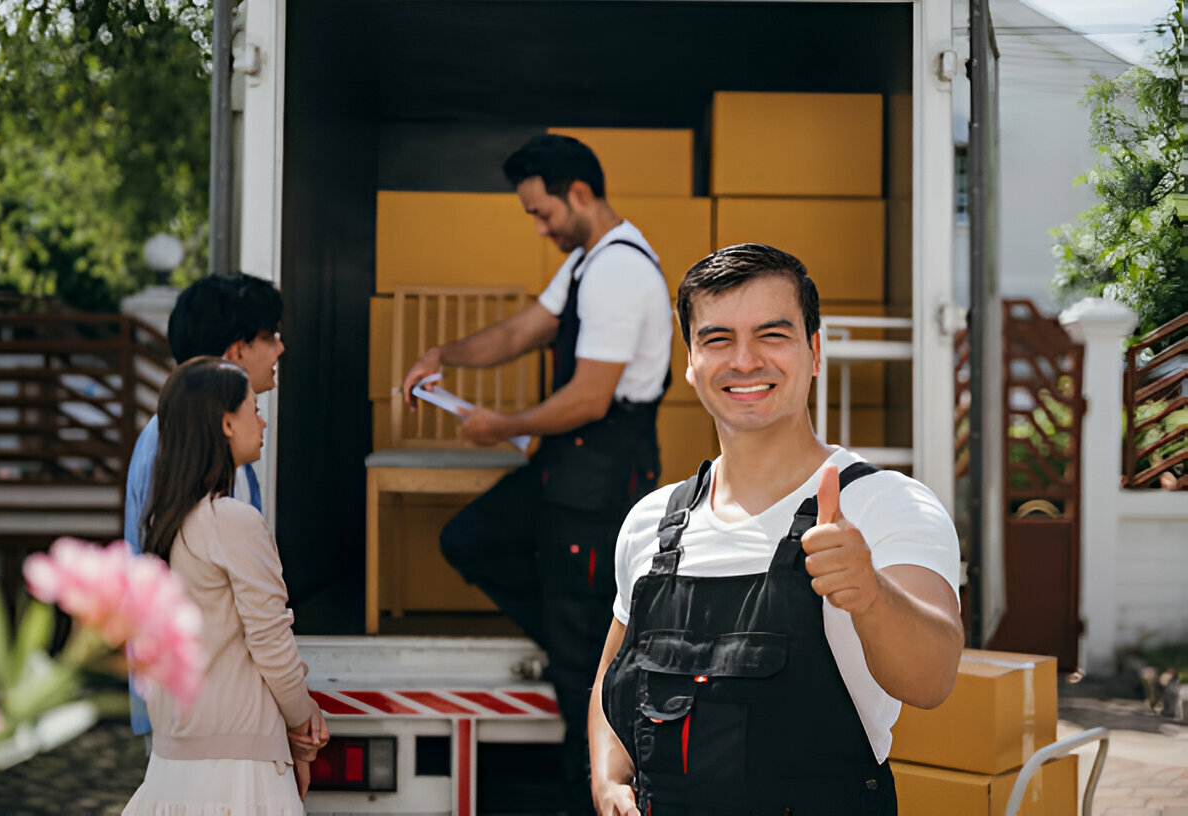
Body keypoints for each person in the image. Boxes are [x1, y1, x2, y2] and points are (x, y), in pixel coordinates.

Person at [588, 244, 964, 816]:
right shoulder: (651, 523)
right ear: (690, 361)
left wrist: (869, 594)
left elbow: (933, 679)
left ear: (814, 352)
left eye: (772, 334)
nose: (744, 361)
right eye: (717, 339)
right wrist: (607, 777)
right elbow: (616, 679)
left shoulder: (886, 506)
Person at [401, 134, 673, 814]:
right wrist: (445, 354)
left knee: (583, 667)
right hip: (566, 466)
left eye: (541, 212)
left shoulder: (620, 271)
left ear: (579, 193)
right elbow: (525, 329)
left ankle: (593, 797)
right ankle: (568, 626)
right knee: (470, 539)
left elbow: (588, 399)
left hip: (603, 472)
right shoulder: (588, 261)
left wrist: (502, 425)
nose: (540, 226)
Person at [123, 357, 327, 815]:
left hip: (173, 760)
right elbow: (271, 639)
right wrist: (303, 720)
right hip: (238, 768)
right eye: (254, 408)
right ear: (226, 423)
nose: (263, 420)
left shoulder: (163, 524)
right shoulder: (232, 520)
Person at [124, 273, 286, 736]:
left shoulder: (188, 435)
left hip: (202, 701)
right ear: (235, 352)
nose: (279, 349)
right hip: (200, 709)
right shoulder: (182, 444)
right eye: (269, 336)